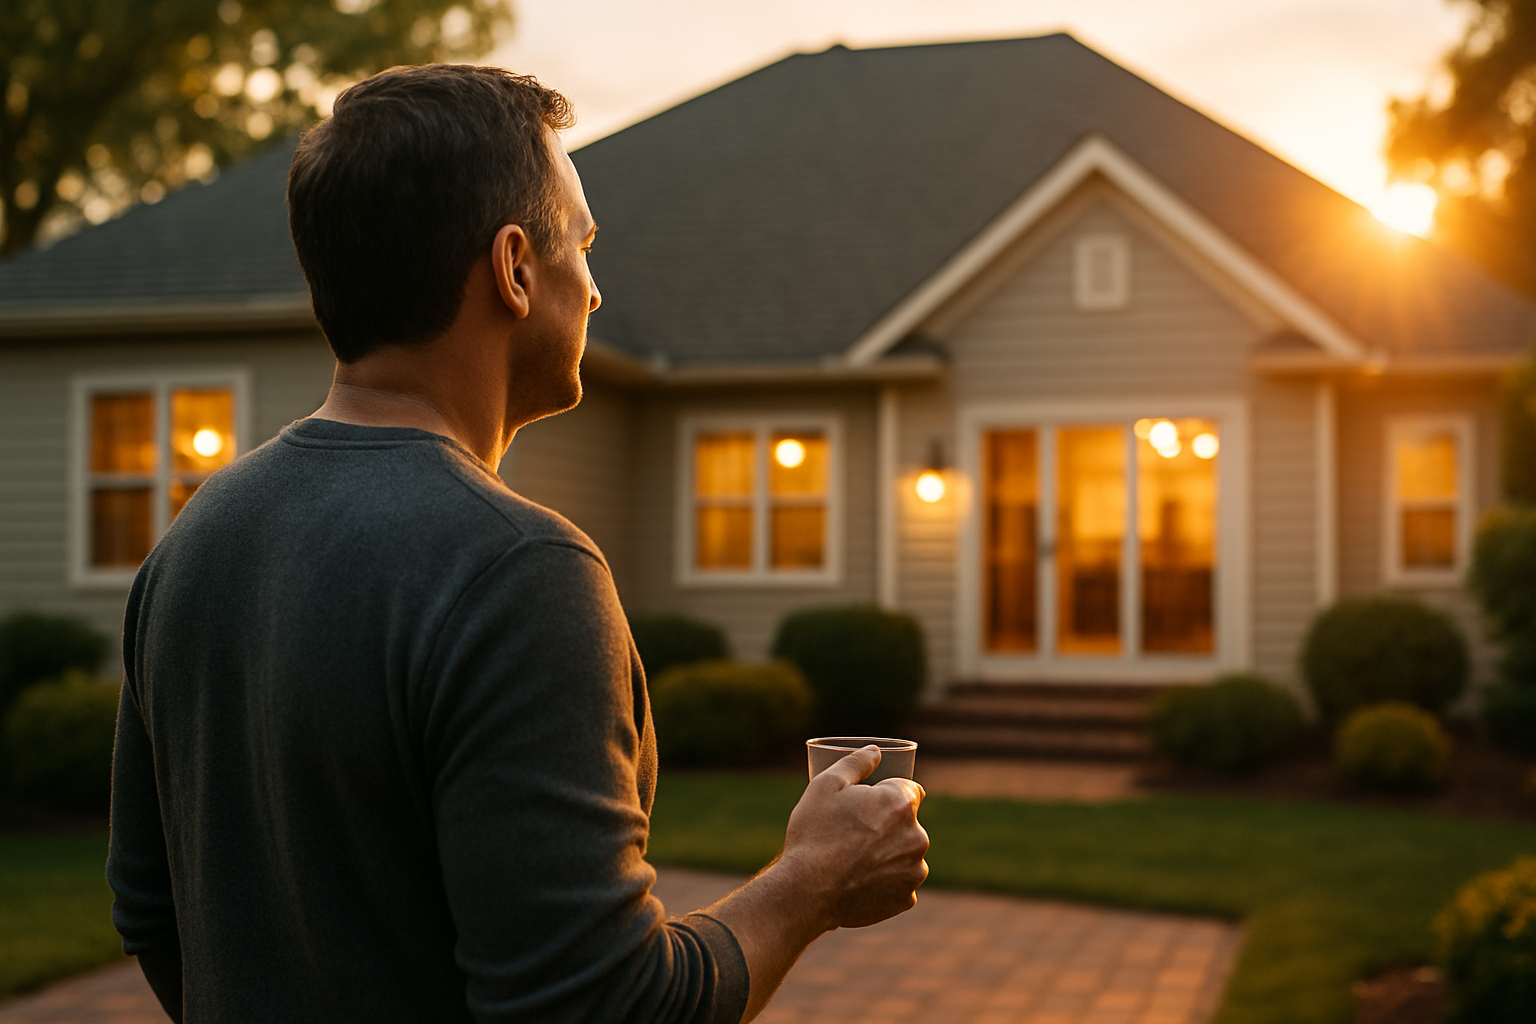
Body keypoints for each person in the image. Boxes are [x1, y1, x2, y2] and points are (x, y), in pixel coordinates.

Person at [107, 64, 929, 1024]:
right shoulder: (519, 573)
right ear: (514, 268)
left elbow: (151, 906)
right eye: (580, 244)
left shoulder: (194, 540)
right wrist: (812, 879)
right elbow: (600, 1006)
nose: (592, 287)